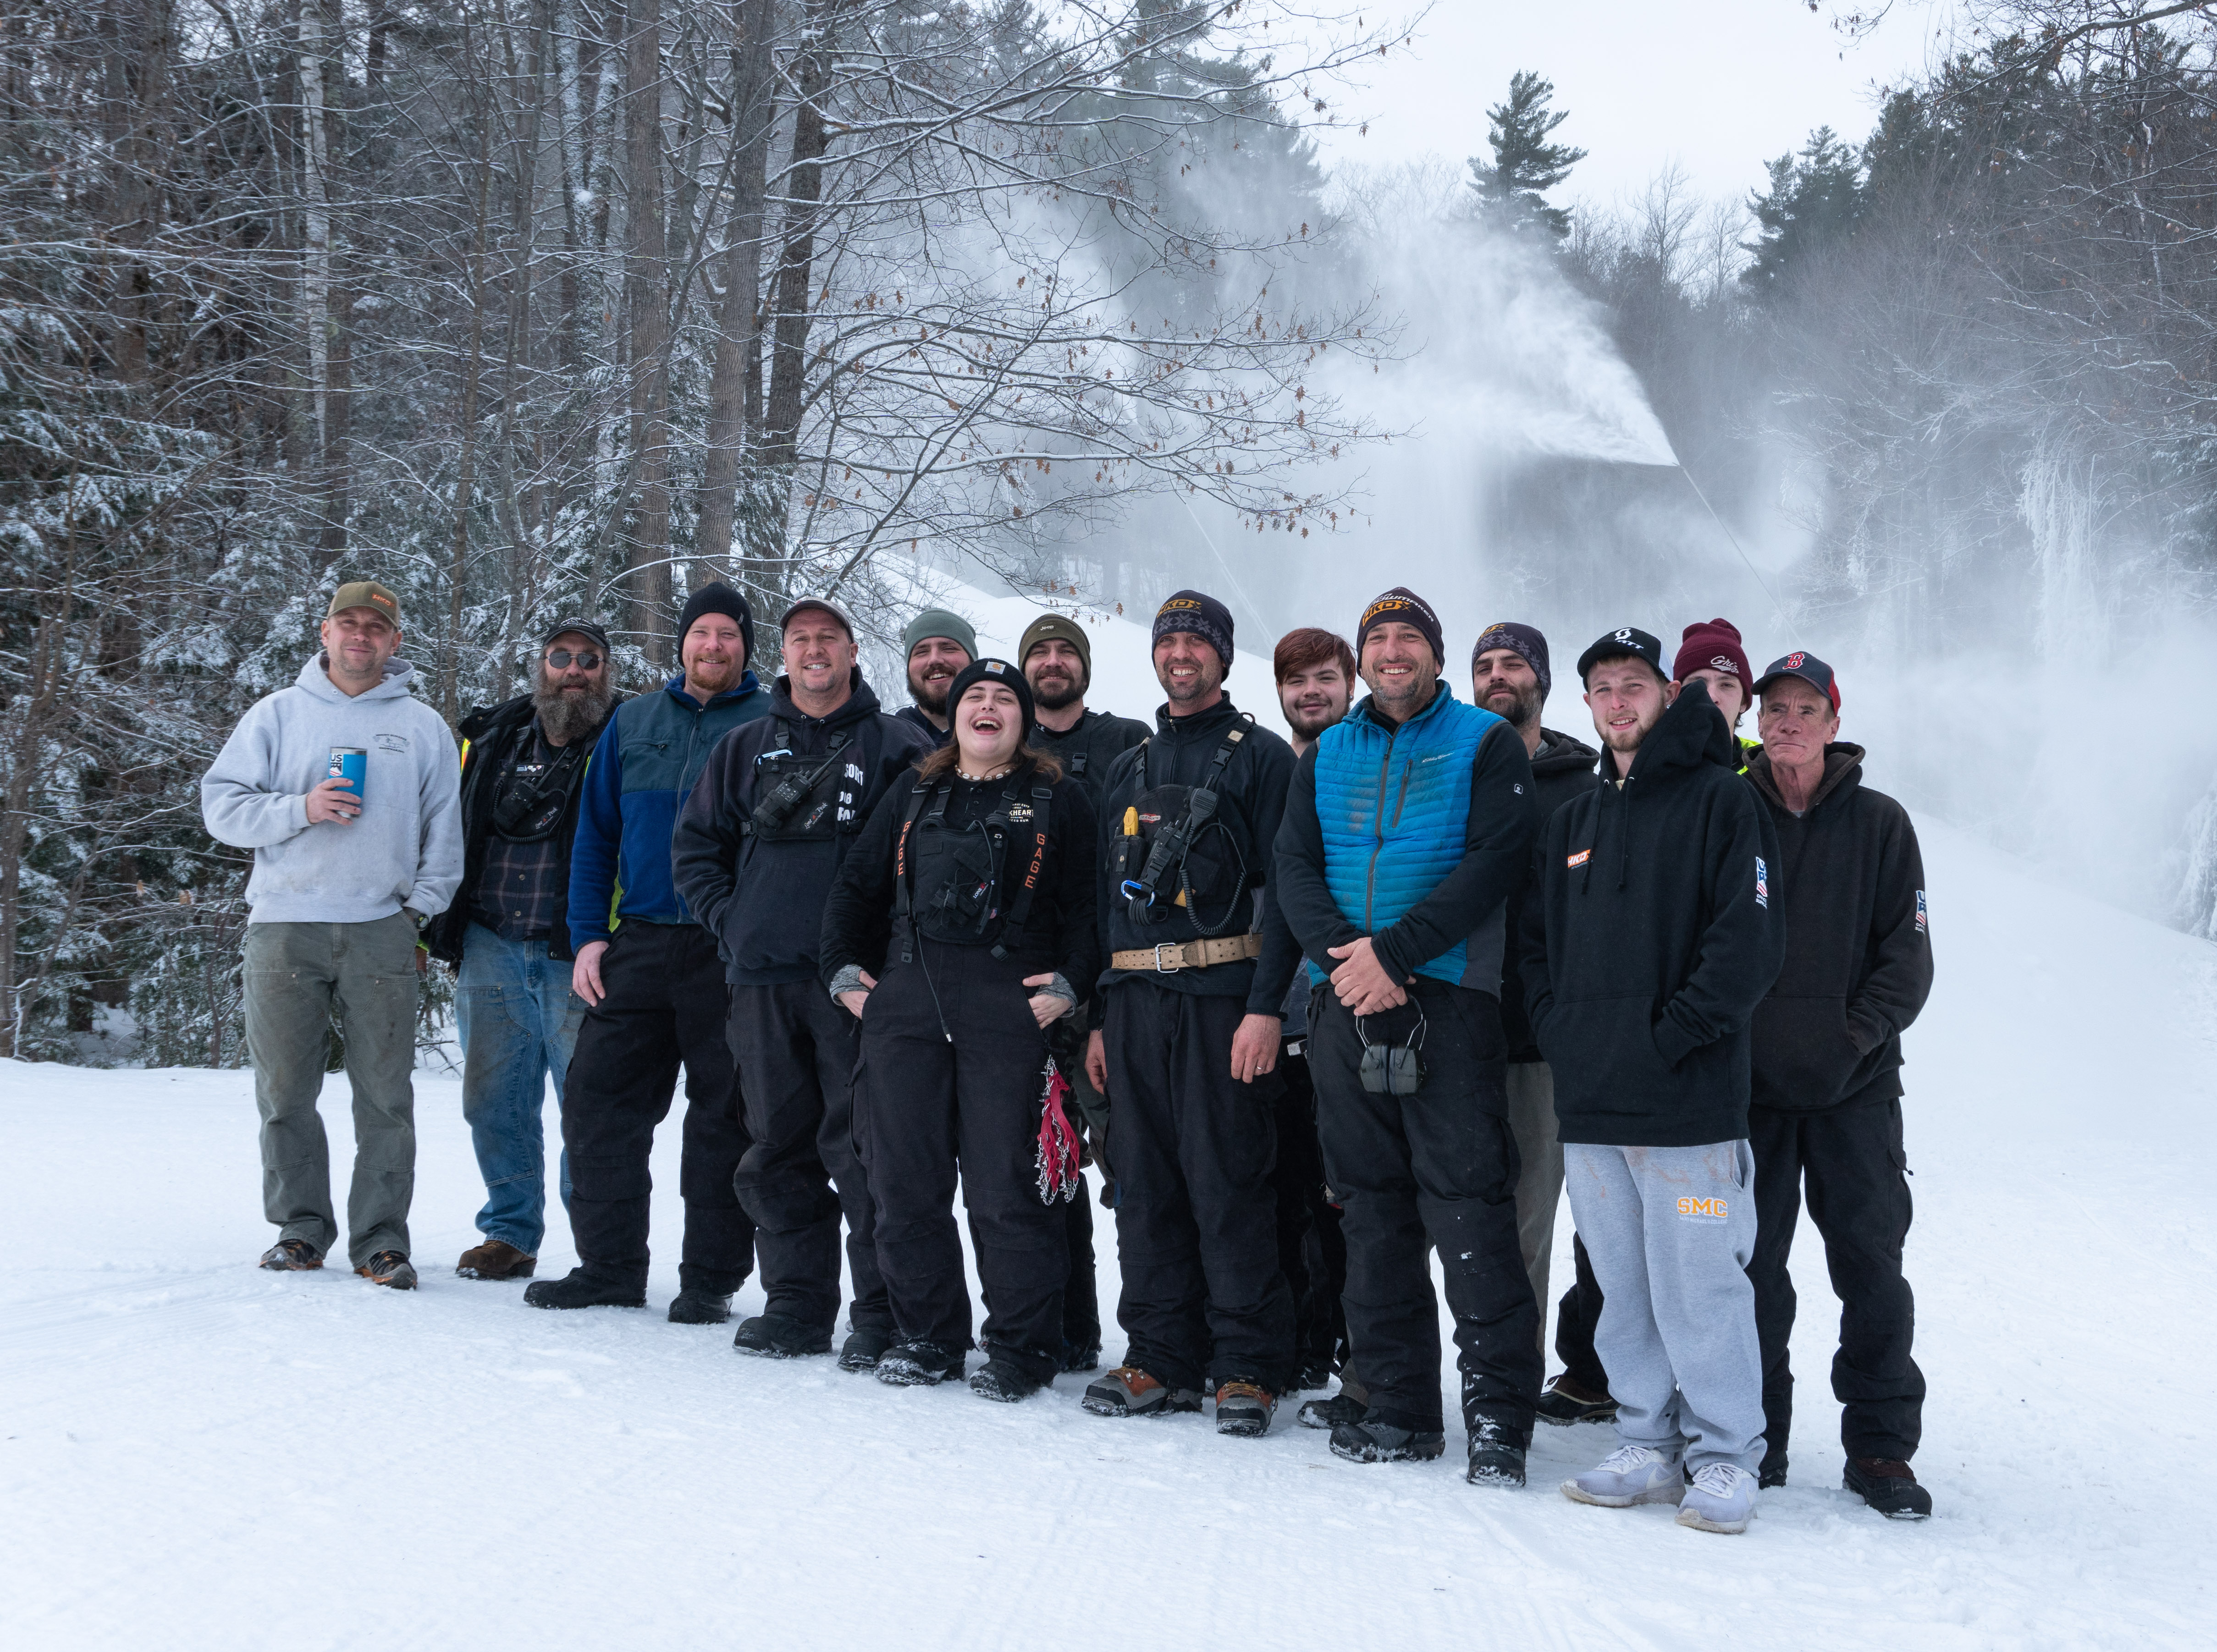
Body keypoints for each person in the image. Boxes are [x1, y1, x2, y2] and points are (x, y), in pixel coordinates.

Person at [1274, 589, 1542, 1484]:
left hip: (1448, 1000)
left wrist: (1395, 952)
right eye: (1378, 637)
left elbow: (1496, 861)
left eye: (1408, 638)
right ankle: (1398, 1402)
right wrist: (1341, 960)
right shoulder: (1325, 753)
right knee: (1372, 1205)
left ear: (1435, 652)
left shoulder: (1483, 742)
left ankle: (1500, 1413)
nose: (1392, 651)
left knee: (1468, 1203)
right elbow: (1295, 866)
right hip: (1344, 1003)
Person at [1521, 627, 1784, 1535]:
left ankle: (1723, 1454)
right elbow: (1537, 949)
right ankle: (1647, 1438)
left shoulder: (1723, 802)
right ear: (1587, 705)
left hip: (1692, 1115)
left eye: (1634, 683)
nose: (1618, 700)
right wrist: (1567, 1036)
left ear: (1666, 696)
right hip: (1594, 1111)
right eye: (1602, 687)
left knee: (1700, 1283)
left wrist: (1671, 1036)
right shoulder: (1574, 823)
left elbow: (1746, 947)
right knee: (1622, 1290)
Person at [820, 659, 1100, 1401]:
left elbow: (1087, 906)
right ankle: (928, 1335)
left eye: (1002, 698)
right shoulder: (913, 790)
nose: (986, 706)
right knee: (902, 1180)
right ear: (953, 715)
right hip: (907, 1003)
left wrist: (1071, 984)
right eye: (974, 694)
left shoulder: (1058, 798)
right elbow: (854, 886)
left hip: (1008, 1004)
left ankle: (1020, 1347)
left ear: (1023, 719)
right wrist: (845, 973)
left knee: (1005, 1187)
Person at [672, 598, 931, 1365]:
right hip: (760, 981)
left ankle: (881, 1309)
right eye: (800, 640)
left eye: (828, 639)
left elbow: (924, 859)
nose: (814, 651)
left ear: (854, 650)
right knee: (776, 1146)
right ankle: (796, 1302)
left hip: (856, 987)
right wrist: (734, 922)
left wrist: (888, 958)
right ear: (783, 654)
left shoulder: (898, 745)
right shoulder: (743, 745)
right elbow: (695, 849)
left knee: (866, 1150)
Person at [201, 579, 463, 1291]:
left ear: (394, 641)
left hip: (380, 927)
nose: (361, 637)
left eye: (376, 628)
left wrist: (417, 912)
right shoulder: (277, 716)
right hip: (284, 927)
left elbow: (446, 830)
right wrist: (301, 808)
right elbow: (221, 808)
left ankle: (380, 1239)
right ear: (324, 632)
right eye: (348, 624)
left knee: (386, 1096)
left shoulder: (422, 727)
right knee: (285, 1092)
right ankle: (301, 1230)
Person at [1082, 590, 1300, 1437]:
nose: (1181, 654)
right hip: (1134, 1000)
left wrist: (1266, 1009)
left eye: (1197, 642)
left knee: (1230, 1178)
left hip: (1223, 1004)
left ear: (1223, 656)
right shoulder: (1127, 765)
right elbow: (1105, 898)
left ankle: (1246, 1362)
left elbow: (1285, 897)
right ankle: (1157, 1353)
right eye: (1170, 640)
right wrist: (1101, 1014)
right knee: (1143, 1182)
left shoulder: (1263, 758)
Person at [524, 584, 766, 1322]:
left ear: (746, 648)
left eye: (728, 635)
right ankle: (610, 1266)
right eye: (702, 634)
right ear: (682, 644)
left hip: (729, 954)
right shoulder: (635, 722)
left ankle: (709, 1281)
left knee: (722, 1119)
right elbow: (594, 838)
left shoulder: (771, 723)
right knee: (597, 1104)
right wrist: (589, 935)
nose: (713, 646)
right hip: (640, 945)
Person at [1742, 652, 1935, 1519]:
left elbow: (1908, 958)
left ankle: (1881, 1446)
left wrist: (1849, 1038)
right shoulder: (1728, 809)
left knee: (1871, 1268)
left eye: (1804, 707)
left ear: (1832, 720)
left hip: (1856, 1089)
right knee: (1750, 1272)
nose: (1787, 720)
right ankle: (1757, 1437)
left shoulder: (1881, 824)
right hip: (1747, 1091)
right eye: (1774, 707)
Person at [427, 617, 619, 1281]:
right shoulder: (491, 736)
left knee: (588, 1107)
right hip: (490, 942)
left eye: (589, 659)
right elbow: (447, 823)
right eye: (561, 657)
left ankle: (602, 1248)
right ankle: (509, 1233)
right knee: (494, 1100)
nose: (575, 669)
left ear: (606, 670)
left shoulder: (626, 737)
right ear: (541, 667)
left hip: (579, 953)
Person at [1469, 622, 1614, 1428]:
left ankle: (1510, 1381)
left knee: (1528, 1220)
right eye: (1484, 665)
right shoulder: (1453, 770)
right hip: (1449, 1031)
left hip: (1541, 1044)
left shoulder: (1585, 787)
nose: (1498, 677)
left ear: (1543, 680)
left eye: (1513, 663)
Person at [1018, 611, 1150, 1373]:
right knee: (1043, 1164)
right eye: (1042, 652)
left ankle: (1160, 1335)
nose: (1055, 662)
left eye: (1068, 650)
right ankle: (1066, 1328)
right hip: (1030, 988)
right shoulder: (1000, 744)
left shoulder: (1125, 740)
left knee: (1132, 1165)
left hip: (1116, 982)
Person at [1271, 628, 1357, 1401]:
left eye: (1326, 678)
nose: (1311, 692)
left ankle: (1343, 1341)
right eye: (1297, 680)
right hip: (1274, 1014)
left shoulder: (1362, 765)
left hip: (1350, 1009)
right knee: (1283, 1185)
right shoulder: (1270, 769)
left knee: (1344, 1195)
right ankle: (1296, 1335)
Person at [1673, 618, 1758, 771]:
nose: (1712, 697)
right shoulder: (1643, 767)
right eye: (1697, 684)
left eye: (1727, 685)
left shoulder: (1770, 771)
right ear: (1675, 695)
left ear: (1744, 702)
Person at [895, 609, 976, 746]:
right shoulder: (886, 740)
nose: (934, 660)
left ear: (973, 661)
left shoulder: (1008, 737)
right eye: (922, 652)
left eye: (949, 649)